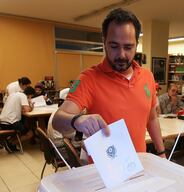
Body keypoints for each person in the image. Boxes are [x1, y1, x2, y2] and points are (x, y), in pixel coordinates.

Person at [52, 8, 166, 157]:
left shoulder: (147, 76)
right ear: (104, 42)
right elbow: (58, 120)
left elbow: (151, 118)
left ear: (136, 44)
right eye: (114, 46)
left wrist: (162, 153)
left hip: (140, 165)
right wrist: (76, 120)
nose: (121, 54)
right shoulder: (89, 78)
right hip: (106, 171)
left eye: (128, 47)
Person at [0, 86, 36, 152]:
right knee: (30, 133)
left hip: (2, 121)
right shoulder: (23, 96)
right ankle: (10, 143)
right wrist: (31, 106)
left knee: (23, 125)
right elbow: (27, 109)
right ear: (29, 95)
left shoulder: (13, 94)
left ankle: (9, 141)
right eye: (31, 96)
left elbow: (20, 109)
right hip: (11, 122)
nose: (30, 98)